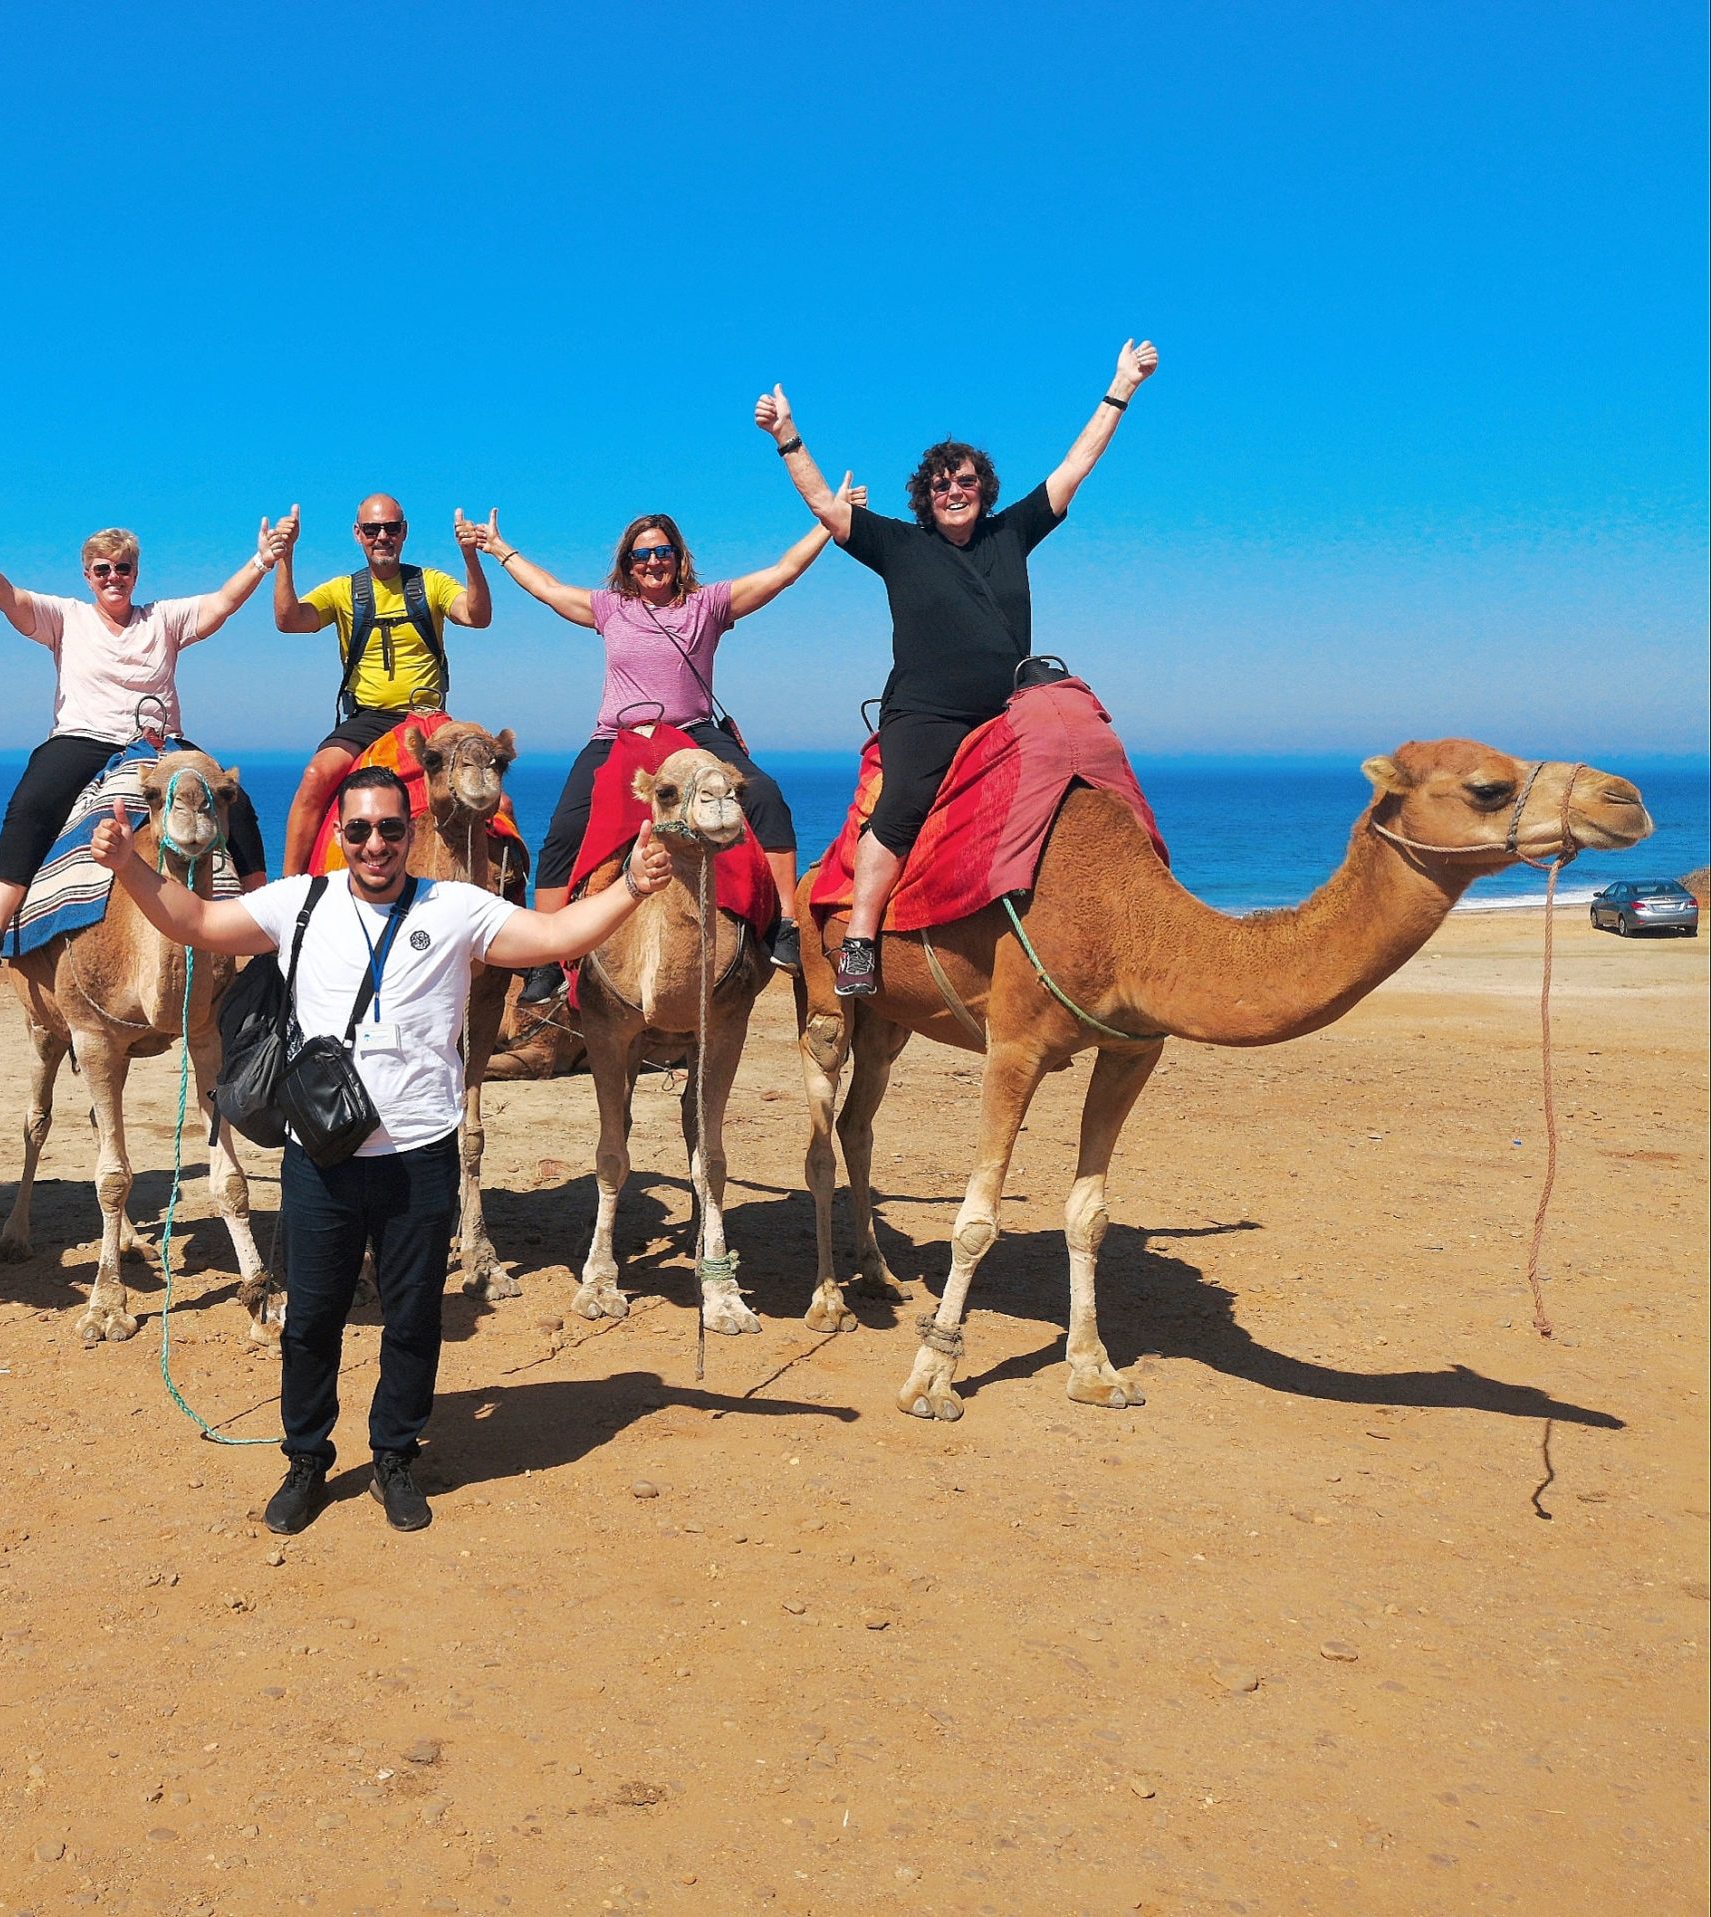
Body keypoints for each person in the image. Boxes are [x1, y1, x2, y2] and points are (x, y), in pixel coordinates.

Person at [86, 764, 675, 1534]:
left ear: (409, 834)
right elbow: (196, 922)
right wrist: (129, 865)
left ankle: (394, 1456)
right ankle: (306, 1460)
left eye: (390, 829)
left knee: (412, 1319)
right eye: (359, 829)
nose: (375, 844)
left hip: (421, 1156)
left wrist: (629, 885)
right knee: (311, 1321)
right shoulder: (302, 903)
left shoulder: (457, 907)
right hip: (321, 1156)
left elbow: (556, 935)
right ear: (339, 836)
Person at [754, 339, 1160, 995]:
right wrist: (787, 435)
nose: (954, 491)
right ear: (926, 495)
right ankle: (859, 936)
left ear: (984, 489)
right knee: (905, 803)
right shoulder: (898, 544)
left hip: (1009, 710)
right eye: (942, 483)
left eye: (966, 481)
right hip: (926, 714)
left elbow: (1076, 463)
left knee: (1084, 772)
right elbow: (828, 510)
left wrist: (1122, 386)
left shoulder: (1013, 532)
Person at [462, 506, 855, 1002]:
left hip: (692, 733)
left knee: (766, 796)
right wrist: (499, 549)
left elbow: (782, 572)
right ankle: (546, 956)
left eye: (662, 551)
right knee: (563, 829)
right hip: (617, 736)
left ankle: (785, 926)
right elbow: (549, 589)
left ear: (678, 557)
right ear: (628, 564)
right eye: (641, 554)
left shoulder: (708, 606)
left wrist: (827, 522)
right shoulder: (610, 609)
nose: (652, 562)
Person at [0, 511, 291, 960]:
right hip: (82, 738)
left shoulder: (162, 618)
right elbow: (9, 597)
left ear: (135, 573)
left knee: (231, 800)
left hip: (162, 742)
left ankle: (263, 926)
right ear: (88, 576)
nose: (113, 577)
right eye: (102, 569)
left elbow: (220, 603)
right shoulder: (65, 618)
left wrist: (262, 561)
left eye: (122, 568)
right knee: (31, 805)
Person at [270, 495, 494, 873]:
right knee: (314, 778)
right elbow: (289, 620)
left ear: (403, 532)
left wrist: (470, 557)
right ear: (358, 534)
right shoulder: (342, 591)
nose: (382, 537)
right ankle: (289, 892)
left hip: (430, 718)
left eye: (391, 528)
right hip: (368, 719)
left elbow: (477, 616)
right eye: (372, 529)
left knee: (491, 789)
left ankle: (505, 894)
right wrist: (285, 558)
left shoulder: (431, 583)